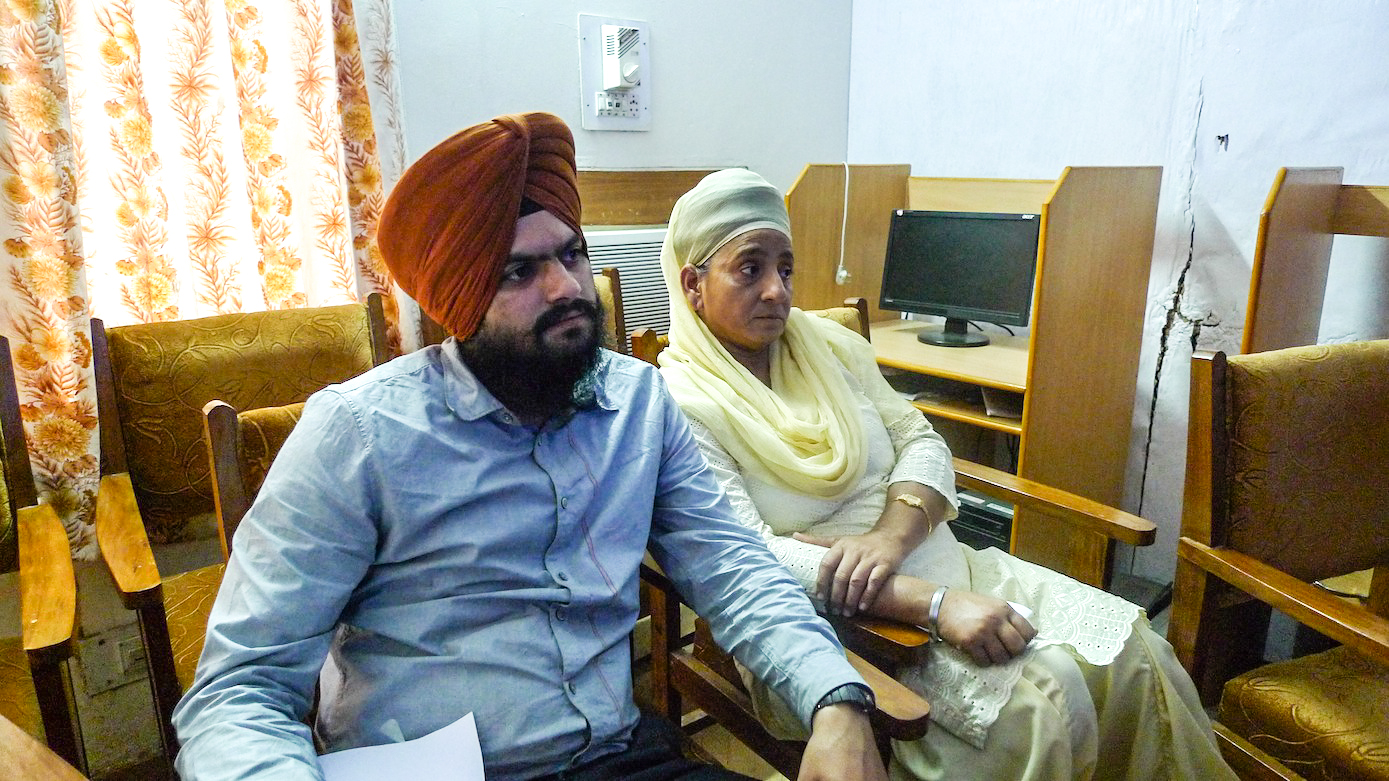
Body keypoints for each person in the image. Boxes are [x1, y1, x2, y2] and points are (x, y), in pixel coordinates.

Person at [171, 115, 889, 781]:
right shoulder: (357, 435)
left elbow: (733, 568)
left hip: (613, 757)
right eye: (519, 272)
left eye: (572, 254)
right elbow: (242, 690)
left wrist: (835, 698)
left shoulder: (639, 405)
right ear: (459, 301)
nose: (567, 288)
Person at [656, 168, 1238, 781]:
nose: (777, 291)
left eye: (786, 267)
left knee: (1138, 655)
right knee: (1041, 708)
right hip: (824, 620)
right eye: (750, 269)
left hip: (940, 558)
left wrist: (890, 538)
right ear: (693, 284)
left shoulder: (828, 346)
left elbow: (921, 440)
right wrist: (933, 604)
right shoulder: (679, 403)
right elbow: (745, 555)